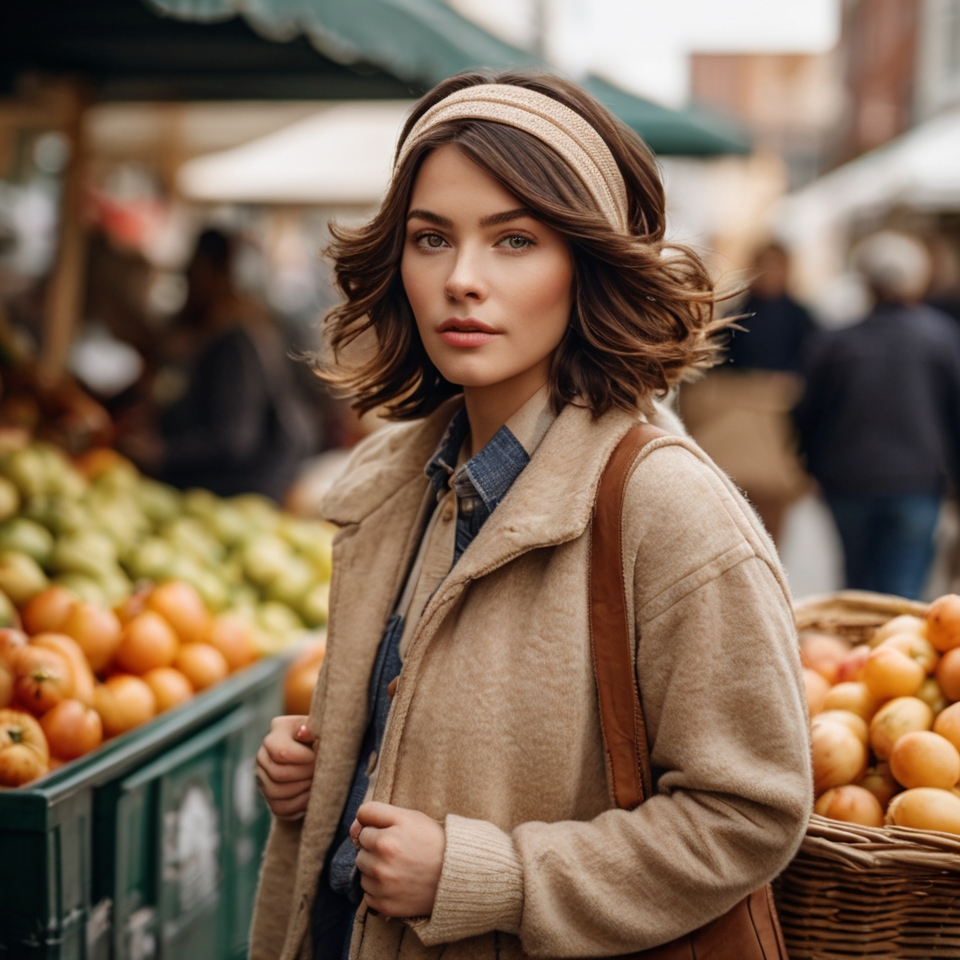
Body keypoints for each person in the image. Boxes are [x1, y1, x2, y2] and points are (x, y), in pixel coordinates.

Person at [252, 70, 812, 960]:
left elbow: (750, 813)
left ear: (586, 264)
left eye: (514, 240)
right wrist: (328, 775)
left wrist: (489, 875)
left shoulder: (674, 512)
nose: (461, 280)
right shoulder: (396, 482)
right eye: (431, 238)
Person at [794, 230, 960, 599]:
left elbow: (806, 413)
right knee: (901, 596)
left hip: (847, 480)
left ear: (866, 281)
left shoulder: (835, 343)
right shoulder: (941, 338)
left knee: (857, 590)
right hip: (916, 481)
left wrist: (809, 464)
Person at [153, 228, 314, 500]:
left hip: (243, 490)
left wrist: (162, 453)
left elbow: (232, 440)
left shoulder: (235, 344)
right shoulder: (220, 334)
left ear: (215, 274)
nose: (189, 285)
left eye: (194, 274)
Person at [679, 242, 813, 544]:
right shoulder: (736, 315)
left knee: (772, 526)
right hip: (732, 437)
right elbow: (708, 368)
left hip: (776, 442)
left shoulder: (802, 319)